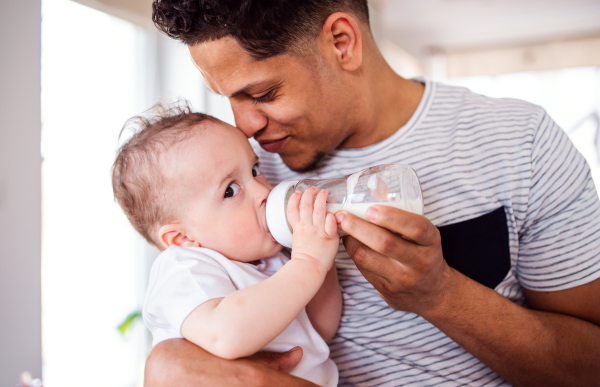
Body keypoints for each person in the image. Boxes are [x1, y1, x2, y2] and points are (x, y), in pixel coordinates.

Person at [146, 0, 600, 386]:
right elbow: (186, 303)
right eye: (226, 98)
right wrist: (164, 365)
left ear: (342, 42)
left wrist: (441, 296)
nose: (244, 126)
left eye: (263, 92)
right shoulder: (229, 172)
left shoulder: (520, 141)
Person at [111, 105, 342, 386]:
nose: (263, 192)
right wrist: (309, 264)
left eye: (255, 170)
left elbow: (320, 330)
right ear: (183, 239)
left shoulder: (273, 261)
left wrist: (324, 261)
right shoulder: (184, 268)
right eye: (230, 190)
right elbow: (226, 335)